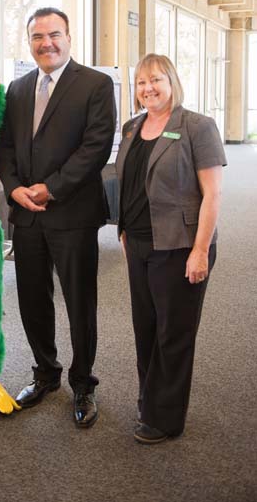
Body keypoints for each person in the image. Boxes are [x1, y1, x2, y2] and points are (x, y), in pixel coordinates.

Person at [0, 7, 116, 428]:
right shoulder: (17, 88)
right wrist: (12, 188)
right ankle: (45, 373)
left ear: (69, 37)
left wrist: (52, 187)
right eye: (37, 36)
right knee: (31, 298)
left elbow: (96, 146)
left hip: (73, 213)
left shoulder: (96, 84)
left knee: (80, 301)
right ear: (28, 41)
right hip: (26, 214)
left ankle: (84, 381)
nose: (46, 43)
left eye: (54, 34)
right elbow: (5, 146)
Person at [116, 53, 226, 445]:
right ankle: (150, 400)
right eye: (142, 82)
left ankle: (167, 419)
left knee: (173, 333)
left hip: (180, 247)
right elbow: (129, 186)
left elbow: (212, 194)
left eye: (156, 80)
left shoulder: (197, 126)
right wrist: (125, 233)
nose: (148, 88)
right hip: (141, 244)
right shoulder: (132, 128)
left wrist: (200, 251)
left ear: (172, 82)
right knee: (145, 328)